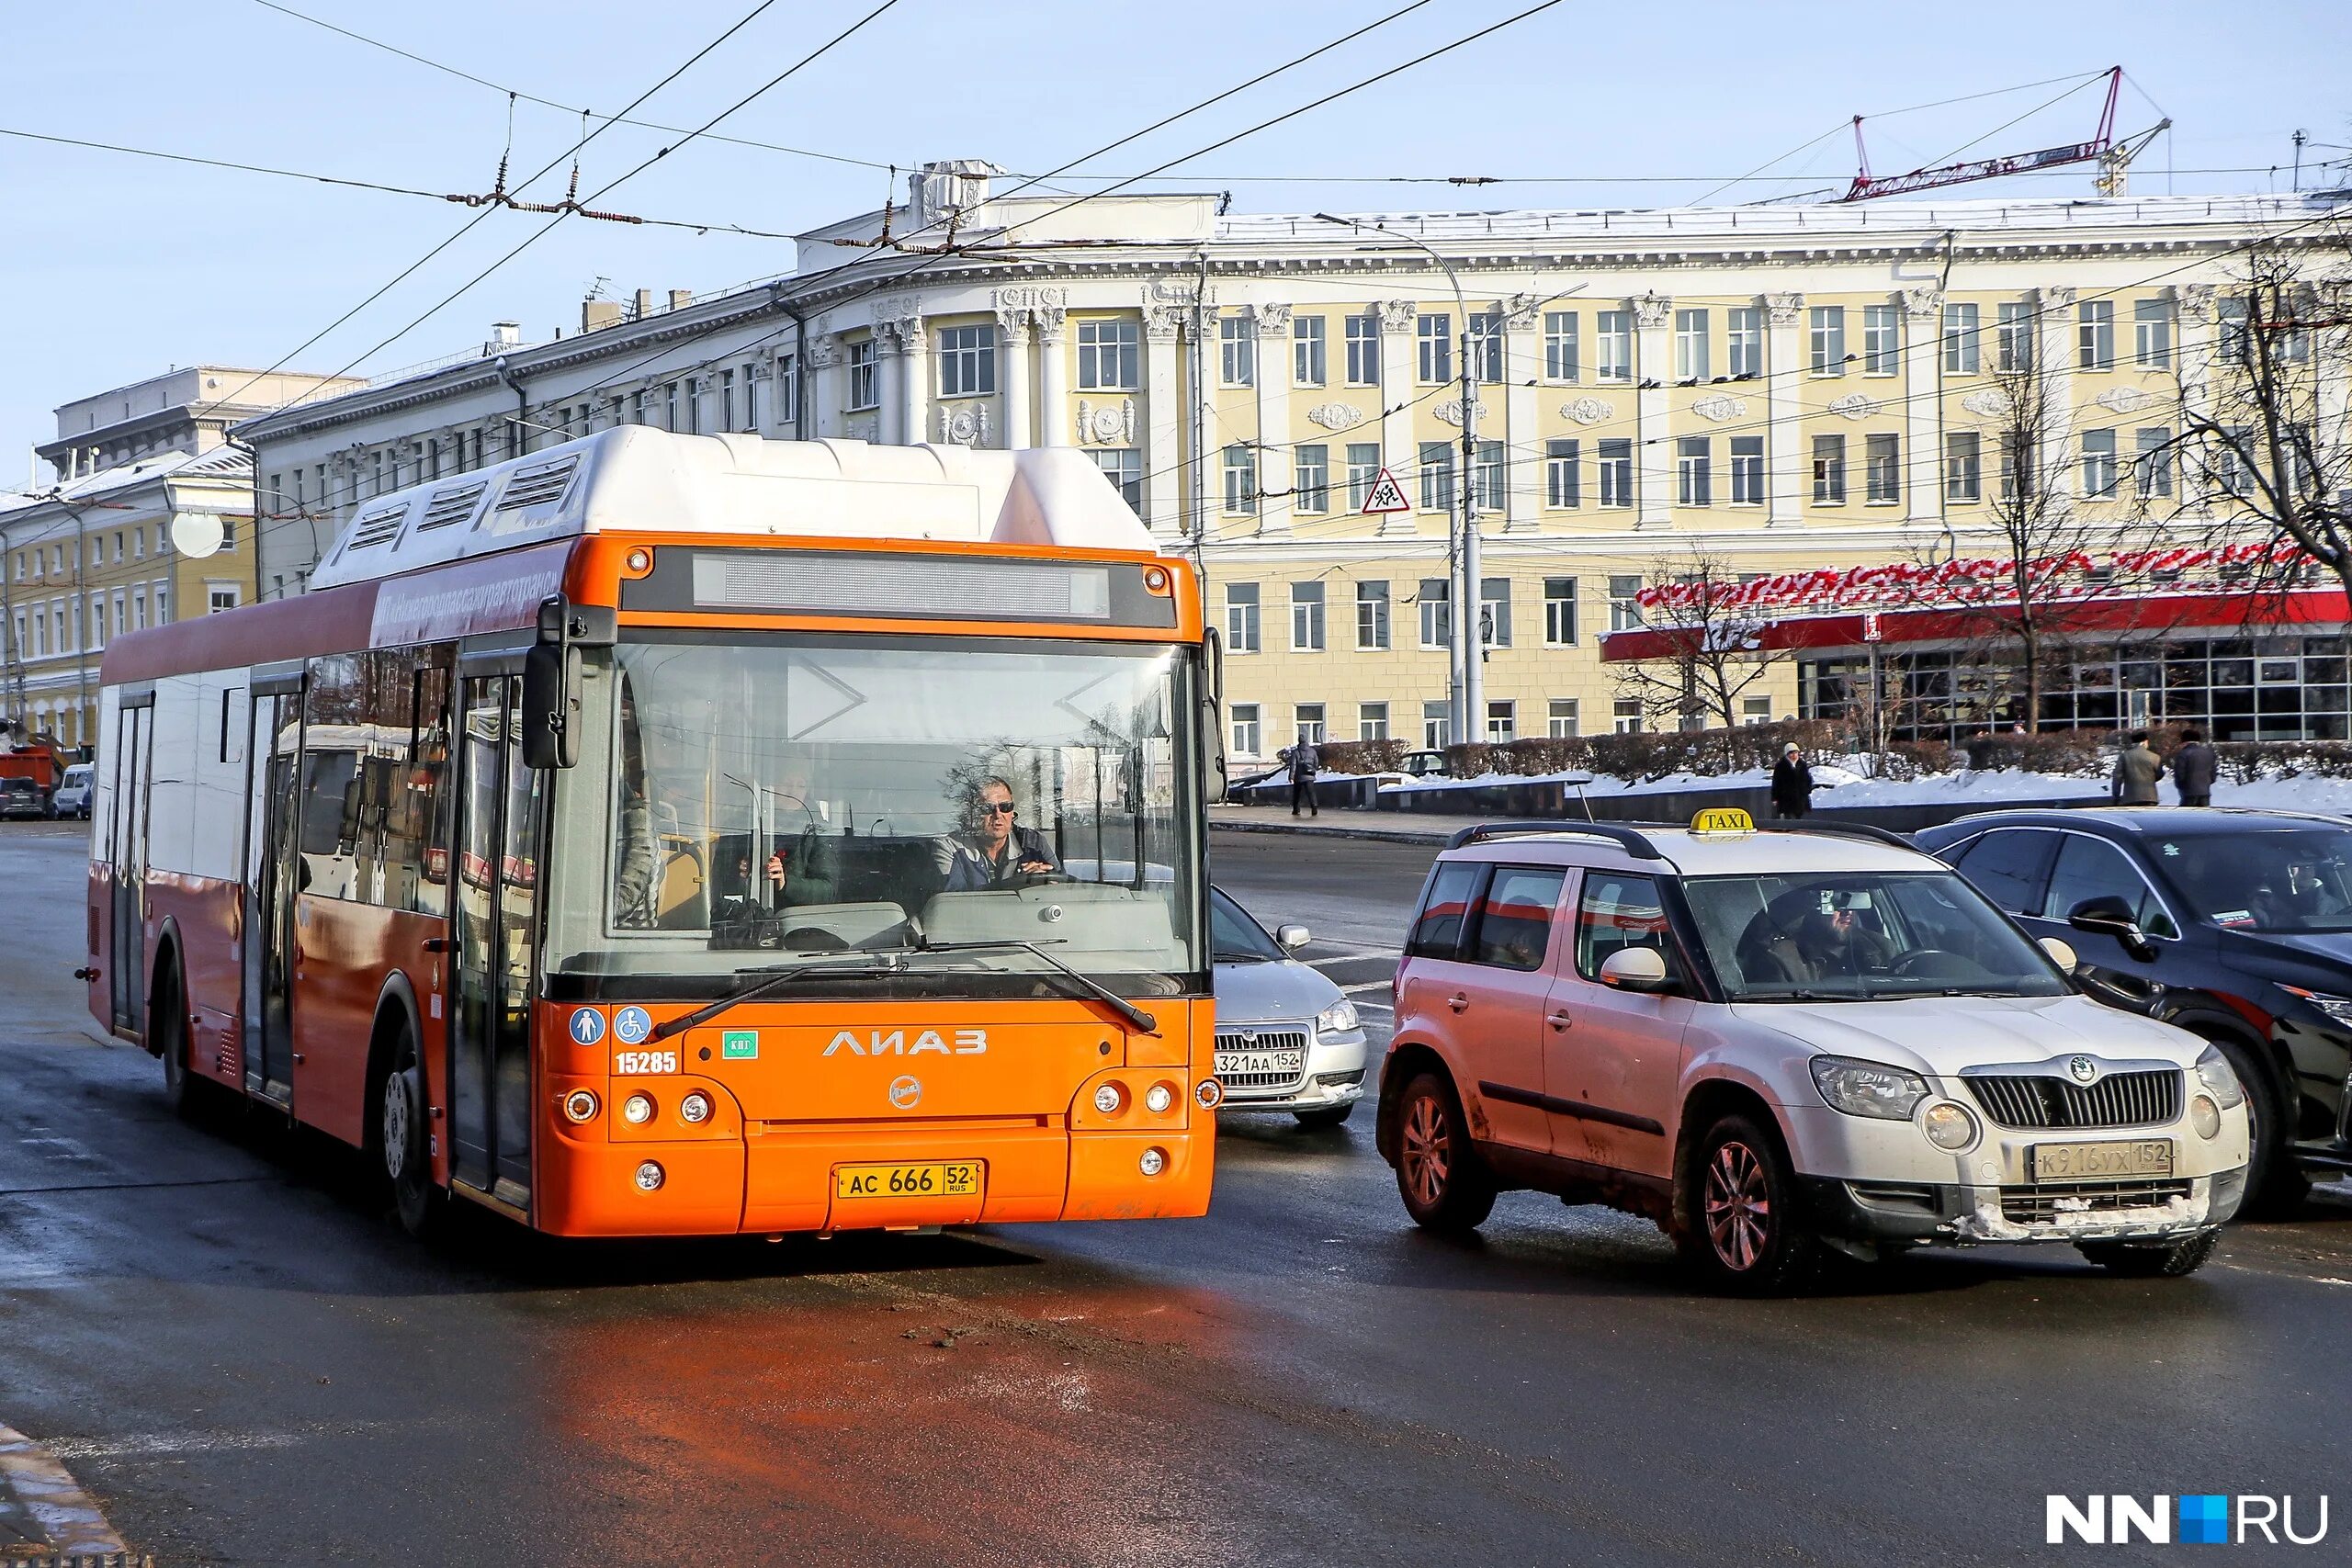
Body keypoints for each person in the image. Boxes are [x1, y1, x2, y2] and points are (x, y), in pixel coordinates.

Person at [933, 775, 1061, 891]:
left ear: (1012, 812)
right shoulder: (951, 848)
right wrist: (1021, 885)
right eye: (988, 808)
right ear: (972, 814)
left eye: (1005, 807)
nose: (998, 815)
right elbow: (952, 902)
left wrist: (1046, 882)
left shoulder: (1034, 842)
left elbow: (1064, 888)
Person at [2111, 730, 2165, 806]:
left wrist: (2116, 796)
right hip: (2150, 797)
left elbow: (2117, 777)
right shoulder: (2155, 757)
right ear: (2145, 741)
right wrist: (2150, 779)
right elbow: (2160, 774)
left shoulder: (2124, 756)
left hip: (2130, 798)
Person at [2172, 727, 2218, 807]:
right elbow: (2213, 776)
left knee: (2189, 818)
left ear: (2184, 741)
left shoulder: (2183, 754)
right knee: (2203, 818)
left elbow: (2180, 775)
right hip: (2205, 792)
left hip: (2188, 793)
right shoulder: (2209, 753)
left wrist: (2181, 786)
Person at [1770, 742, 1815, 819]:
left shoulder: (1802, 764)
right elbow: (1776, 782)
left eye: (1796, 753)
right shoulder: (1781, 766)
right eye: (1791, 753)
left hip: (1801, 798)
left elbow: (1808, 779)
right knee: (1789, 819)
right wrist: (1775, 797)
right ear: (1787, 754)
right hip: (1786, 798)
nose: (1794, 755)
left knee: (1801, 820)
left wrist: (1807, 790)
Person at [1287, 735, 1322, 818]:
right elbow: (1316, 763)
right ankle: (1314, 808)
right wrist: (1312, 769)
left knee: (1297, 794)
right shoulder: (1312, 751)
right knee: (1311, 793)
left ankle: (1296, 810)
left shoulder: (1295, 752)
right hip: (1310, 776)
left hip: (1299, 777)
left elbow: (1293, 765)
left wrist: (1291, 776)